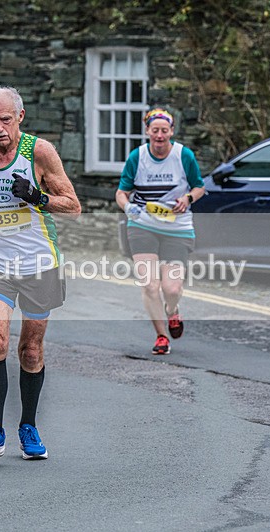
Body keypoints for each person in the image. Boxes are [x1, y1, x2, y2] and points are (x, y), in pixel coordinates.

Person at [0, 86, 81, 465]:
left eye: (5, 119)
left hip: (40, 263)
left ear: (20, 118)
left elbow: (73, 207)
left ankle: (28, 426)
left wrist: (38, 197)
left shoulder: (38, 153)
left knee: (30, 350)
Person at [115, 108, 205, 356]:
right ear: (147, 132)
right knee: (150, 285)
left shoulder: (183, 155)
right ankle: (162, 336)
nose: (160, 135)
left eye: (164, 131)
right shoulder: (137, 157)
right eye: (155, 130)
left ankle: (172, 311)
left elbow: (199, 187)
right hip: (143, 225)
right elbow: (121, 193)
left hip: (177, 228)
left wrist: (188, 198)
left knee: (172, 289)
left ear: (171, 132)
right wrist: (128, 207)